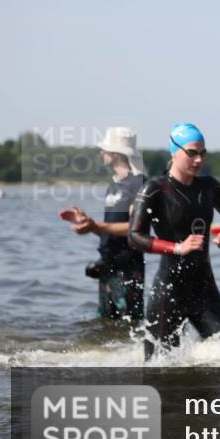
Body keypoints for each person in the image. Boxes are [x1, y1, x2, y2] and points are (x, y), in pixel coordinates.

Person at [129, 123, 220, 360]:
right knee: (158, 366)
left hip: (205, 290)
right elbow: (135, 237)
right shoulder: (154, 189)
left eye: (202, 153)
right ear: (174, 152)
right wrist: (177, 247)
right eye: (192, 153)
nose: (198, 159)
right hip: (169, 292)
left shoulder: (210, 187)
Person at [63, 127, 146, 321]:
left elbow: (135, 229)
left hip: (128, 268)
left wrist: (95, 226)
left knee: (129, 324)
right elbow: (110, 229)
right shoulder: (113, 186)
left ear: (116, 153)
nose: (101, 152)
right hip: (107, 265)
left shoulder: (138, 184)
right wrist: (88, 223)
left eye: (104, 149)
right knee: (105, 324)